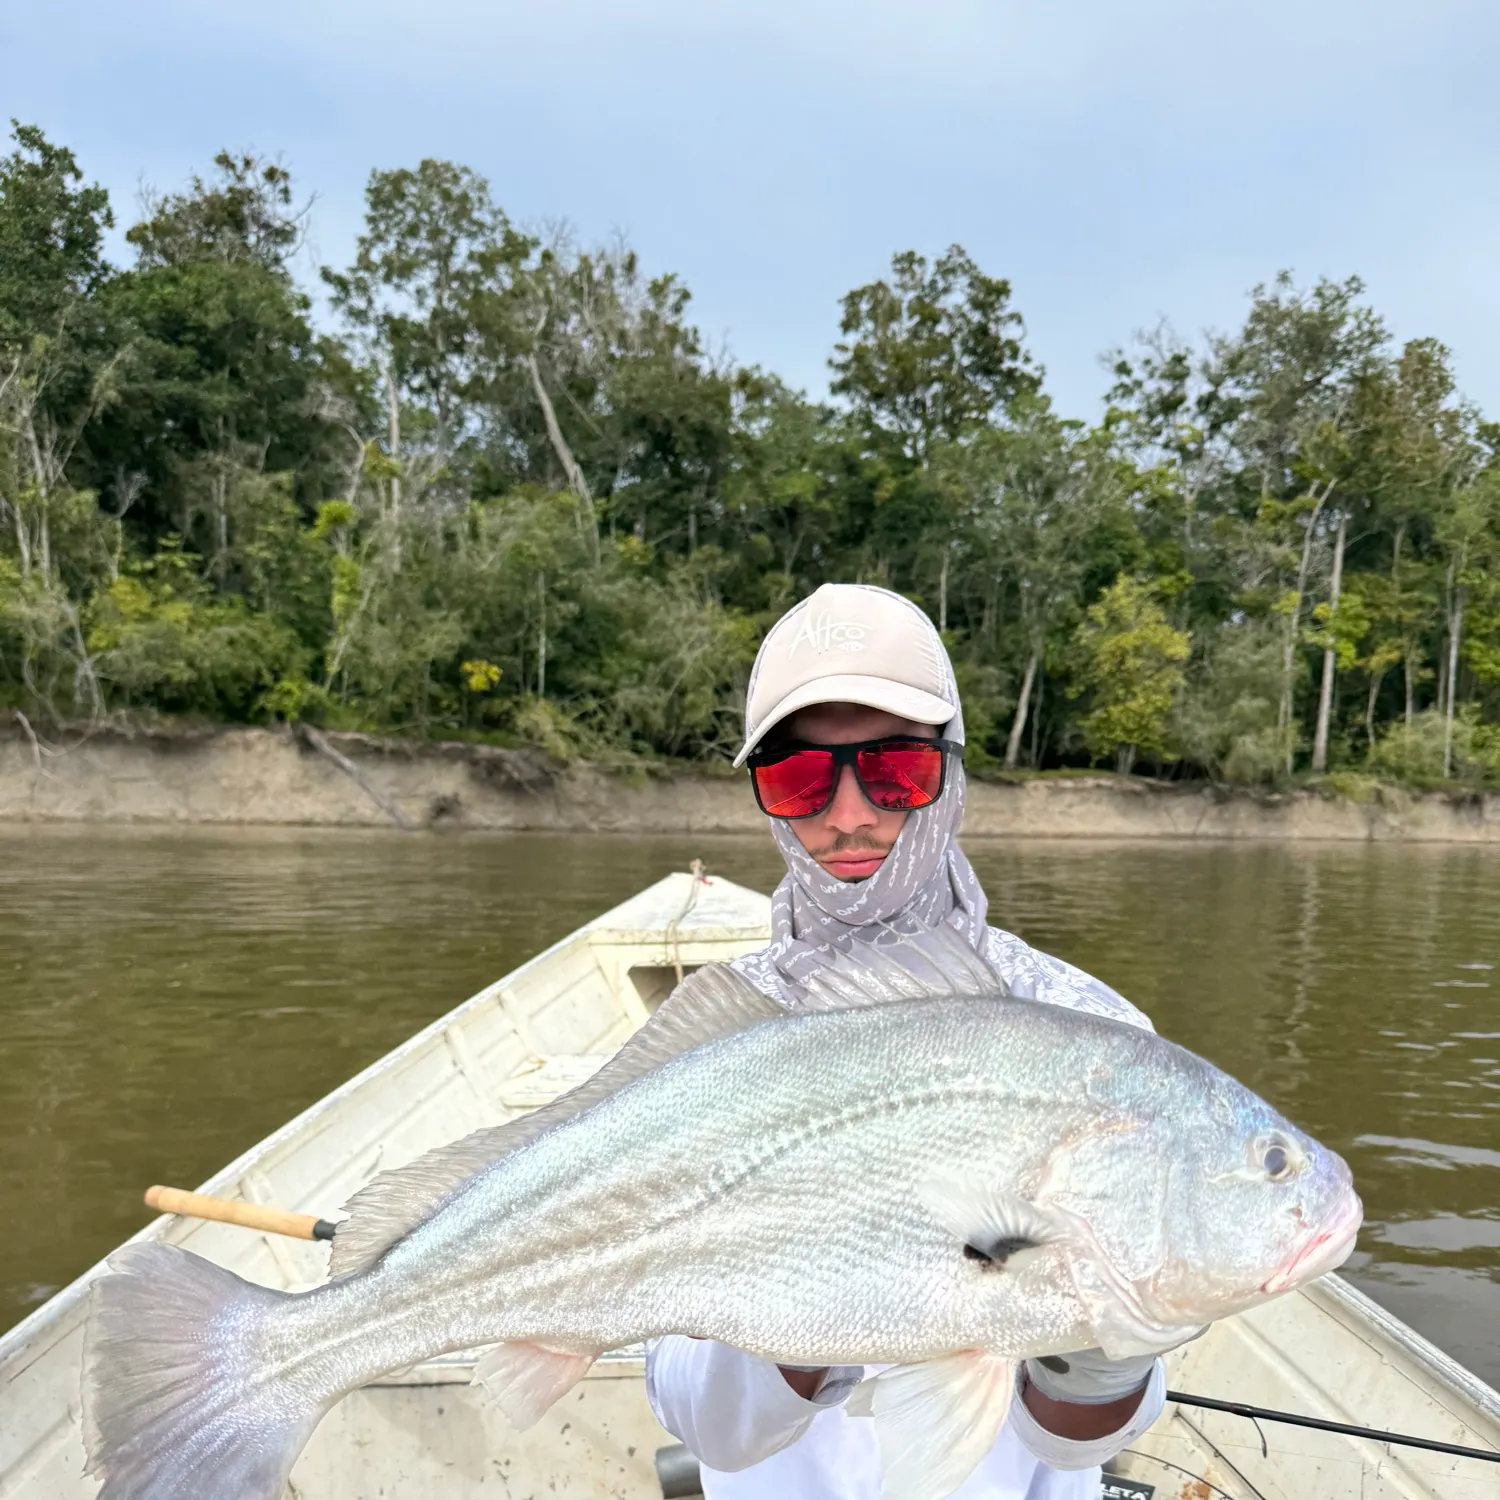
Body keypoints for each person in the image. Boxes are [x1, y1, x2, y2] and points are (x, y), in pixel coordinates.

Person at [645, 582, 1175, 1499]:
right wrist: (810, 1314)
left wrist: (1100, 1354)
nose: (848, 815)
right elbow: (707, 1428)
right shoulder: (710, 1051)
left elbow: (1072, 1446)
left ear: (952, 770)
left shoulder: (1094, 1034)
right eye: (798, 777)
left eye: (895, 770)